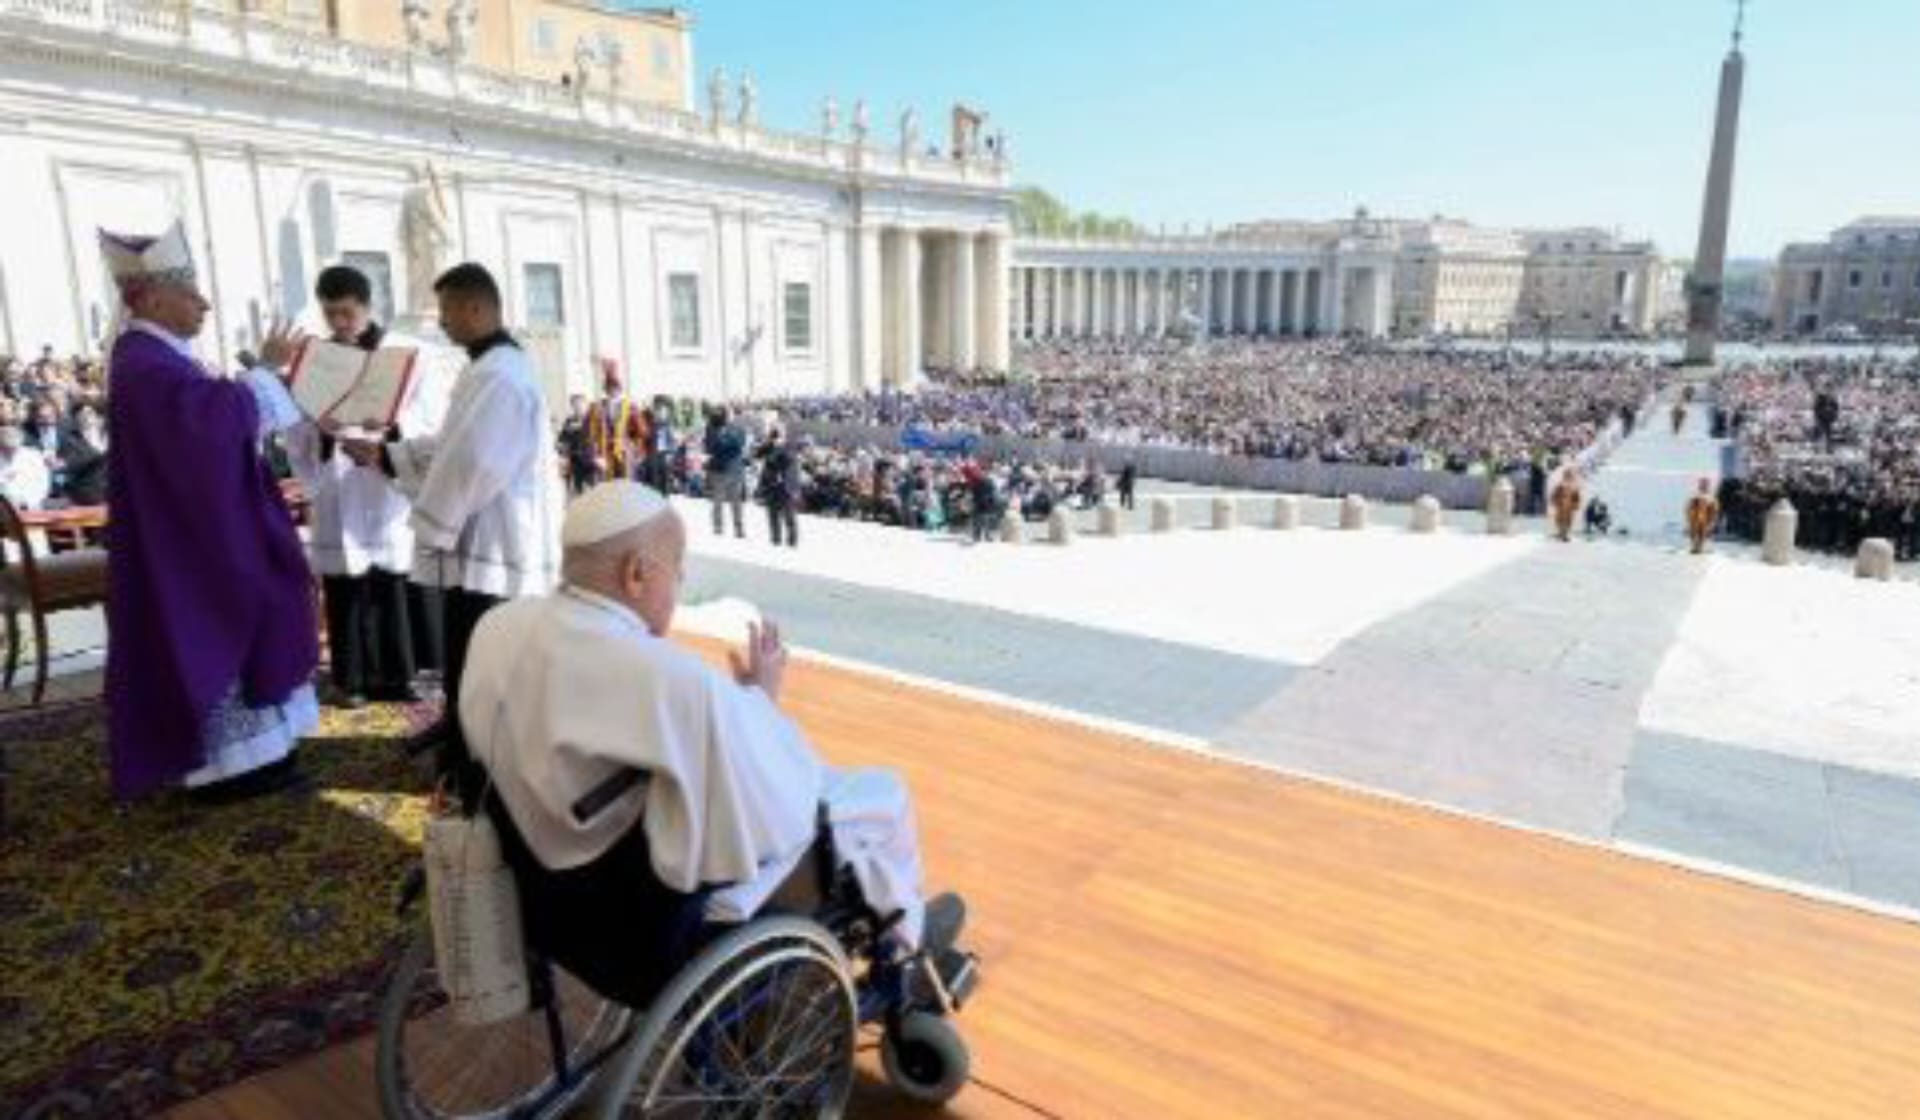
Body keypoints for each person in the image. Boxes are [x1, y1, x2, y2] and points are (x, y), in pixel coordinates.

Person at [458, 481, 963, 1006]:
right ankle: (905, 942)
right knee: (883, 795)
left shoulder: (498, 625)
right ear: (636, 573)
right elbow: (779, 804)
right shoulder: (664, 675)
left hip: (542, 893)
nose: (677, 585)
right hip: (643, 921)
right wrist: (762, 698)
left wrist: (744, 707)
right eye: (676, 570)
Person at [97, 220, 319, 801]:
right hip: (190, 541)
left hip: (201, 524)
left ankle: (265, 752)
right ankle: (234, 768)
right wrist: (264, 371)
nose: (205, 303)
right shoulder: (143, 361)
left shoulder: (161, 356)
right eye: (191, 292)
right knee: (223, 618)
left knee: (264, 603)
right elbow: (205, 428)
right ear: (149, 297)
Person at [342, 262, 559, 808]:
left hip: (494, 547)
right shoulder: (489, 367)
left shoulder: (499, 375)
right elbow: (454, 445)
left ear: (475, 308)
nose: (441, 323)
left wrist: (433, 519)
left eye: (446, 311)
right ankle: (468, 755)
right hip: (486, 540)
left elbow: (475, 463)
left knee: (483, 665)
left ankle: (483, 772)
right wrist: (389, 456)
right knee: (473, 662)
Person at [285, 264, 426, 709]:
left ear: (366, 306)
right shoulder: (314, 361)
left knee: (390, 579)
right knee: (347, 583)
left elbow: (425, 416)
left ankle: (400, 674)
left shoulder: (402, 354)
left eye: (347, 313)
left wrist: (392, 430)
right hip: (341, 483)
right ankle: (354, 678)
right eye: (331, 315)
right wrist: (316, 425)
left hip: (383, 479)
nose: (340, 324)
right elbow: (296, 430)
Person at [585, 363, 645, 483]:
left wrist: (635, 449)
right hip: (605, 451)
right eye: (609, 388)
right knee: (607, 485)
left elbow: (640, 431)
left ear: (620, 389)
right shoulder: (596, 407)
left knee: (626, 482)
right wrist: (595, 455)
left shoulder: (630, 407)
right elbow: (590, 434)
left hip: (625, 451)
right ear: (605, 390)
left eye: (615, 388)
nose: (612, 391)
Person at [702, 405, 747, 537]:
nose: (717, 417)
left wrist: (721, 443)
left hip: (733, 469)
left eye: (719, 414)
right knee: (718, 501)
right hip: (719, 470)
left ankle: (738, 529)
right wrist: (722, 442)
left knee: (736, 501)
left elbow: (738, 445)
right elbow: (709, 447)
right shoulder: (710, 428)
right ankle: (718, 528)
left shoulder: (737, 428)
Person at [757, 428, 799, 548]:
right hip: (771, 485)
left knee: (788, 516)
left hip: (786, 487)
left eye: (777, 437)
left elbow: (786, 460)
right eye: (773, 437)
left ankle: (792, 541)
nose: (775, 440)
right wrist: (767, 444)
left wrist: (778, 447)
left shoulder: (789, 447)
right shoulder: (769, 447)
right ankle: (776, 539)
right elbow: (757, 454)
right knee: (772, 515)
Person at [0, 423, 51, 510]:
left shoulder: (33, 456)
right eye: (6, 448)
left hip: (31, 506)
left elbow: (43, 484)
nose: (10, 451)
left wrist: (28, 502)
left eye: (13, 448)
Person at [557, 393, 595, 496]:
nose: (577, 408)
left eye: (579, 404)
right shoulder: (569, 421)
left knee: (593, 488)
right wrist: (562, 454)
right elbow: (562, 439)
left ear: (585, 404)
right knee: (579, 490)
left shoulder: (593, 419)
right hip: (575, 460)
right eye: (574, 405)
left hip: (591, 460)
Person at [1685, 477, 1720, 555]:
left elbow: (1715, 508)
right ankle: (1696, 546)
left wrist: (1713, 520)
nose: (1704, 486)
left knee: (1701, 531)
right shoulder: (1695, 495)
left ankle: (1699, 546)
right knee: (1696, 530)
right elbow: (1688, 507)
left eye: (1705, 484)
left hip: (1705, 517)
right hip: (1696, 516)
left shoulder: (1710, 496)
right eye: (1703, 484)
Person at [1549, 468, 1582, 543]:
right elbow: (1554, 495)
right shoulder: (1560, 485)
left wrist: (1575, 505)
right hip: (1560, 505)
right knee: (1559, 520)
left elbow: (1576, 497)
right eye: (1567, 475)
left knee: (1568, 520)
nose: (1568, 477)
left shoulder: (1574, 487)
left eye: (1569, 475)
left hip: (1569, 507)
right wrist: (1555, 501)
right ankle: (1561, 532)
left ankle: (1565, 534)